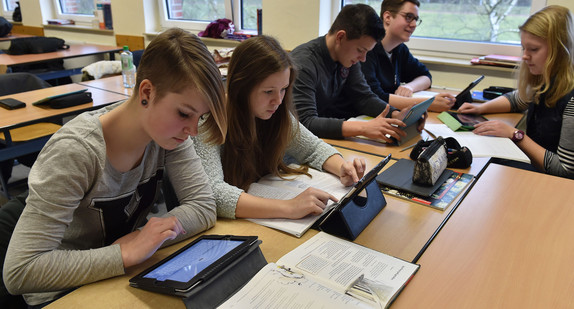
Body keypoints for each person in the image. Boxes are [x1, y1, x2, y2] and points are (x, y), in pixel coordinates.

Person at [3, 28, 227, 306]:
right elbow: (21, 271)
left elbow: (203, 206)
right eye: (184, 113)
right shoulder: (76, 151)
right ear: (147, 92)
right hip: (63, 292)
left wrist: (144, 240)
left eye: (201, 117)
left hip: (122, 274)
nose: (193, 130)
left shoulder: (169, 136)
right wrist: (124, 254)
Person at [191, 35, 366, 220]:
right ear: (241, 87)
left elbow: (312, 148)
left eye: (283, 89)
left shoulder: (274, 111)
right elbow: (214, 193)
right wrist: (289, 208)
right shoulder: (207, 121)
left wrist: (342, 168)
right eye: (268, 92)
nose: (278, 101)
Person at [458, 5, 574, 179]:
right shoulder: (547, 79)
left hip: (556, 184)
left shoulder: (571, 99)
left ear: (559, 50)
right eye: (523, 48)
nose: (525, 56)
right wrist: (480, 109)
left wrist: (515, 135)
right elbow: (518, 99)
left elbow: (565, 170)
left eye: (533, 49)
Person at [291, 4, 424, 142]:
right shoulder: (303, 64)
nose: (363, 58)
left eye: (367, 51)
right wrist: (363, 128)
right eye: (360, 50)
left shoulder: (346, 57)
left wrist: (395, 114)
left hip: (322, 139)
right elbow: (305, 123)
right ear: (340, 37)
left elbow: (363, 97)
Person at [361, 0, 455, 112]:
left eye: (416, 19)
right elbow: (375, 97)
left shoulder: (400, 49)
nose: (414, 24)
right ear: (387, 17)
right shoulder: (367, 50)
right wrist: (427, 104)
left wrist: (409, 87)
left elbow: (425, 76)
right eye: (409, 17)